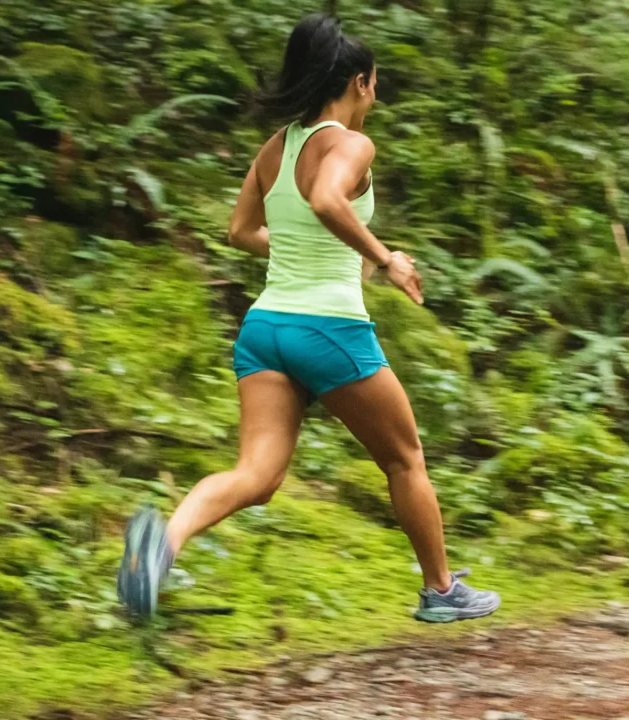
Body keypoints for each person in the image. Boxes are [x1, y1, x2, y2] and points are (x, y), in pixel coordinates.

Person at [116, 13, 499, 624]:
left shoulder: (276, 147)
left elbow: (240, 232)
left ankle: (160, 547)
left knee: (256, 475)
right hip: (328, 329)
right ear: (359, 83)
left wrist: (316, 248)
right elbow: (325, 198)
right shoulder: (351, 144)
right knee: (405, 459)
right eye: (375, 83)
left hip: (266, 330)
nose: (375, 94)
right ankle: (442, 590)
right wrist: (386, 258)